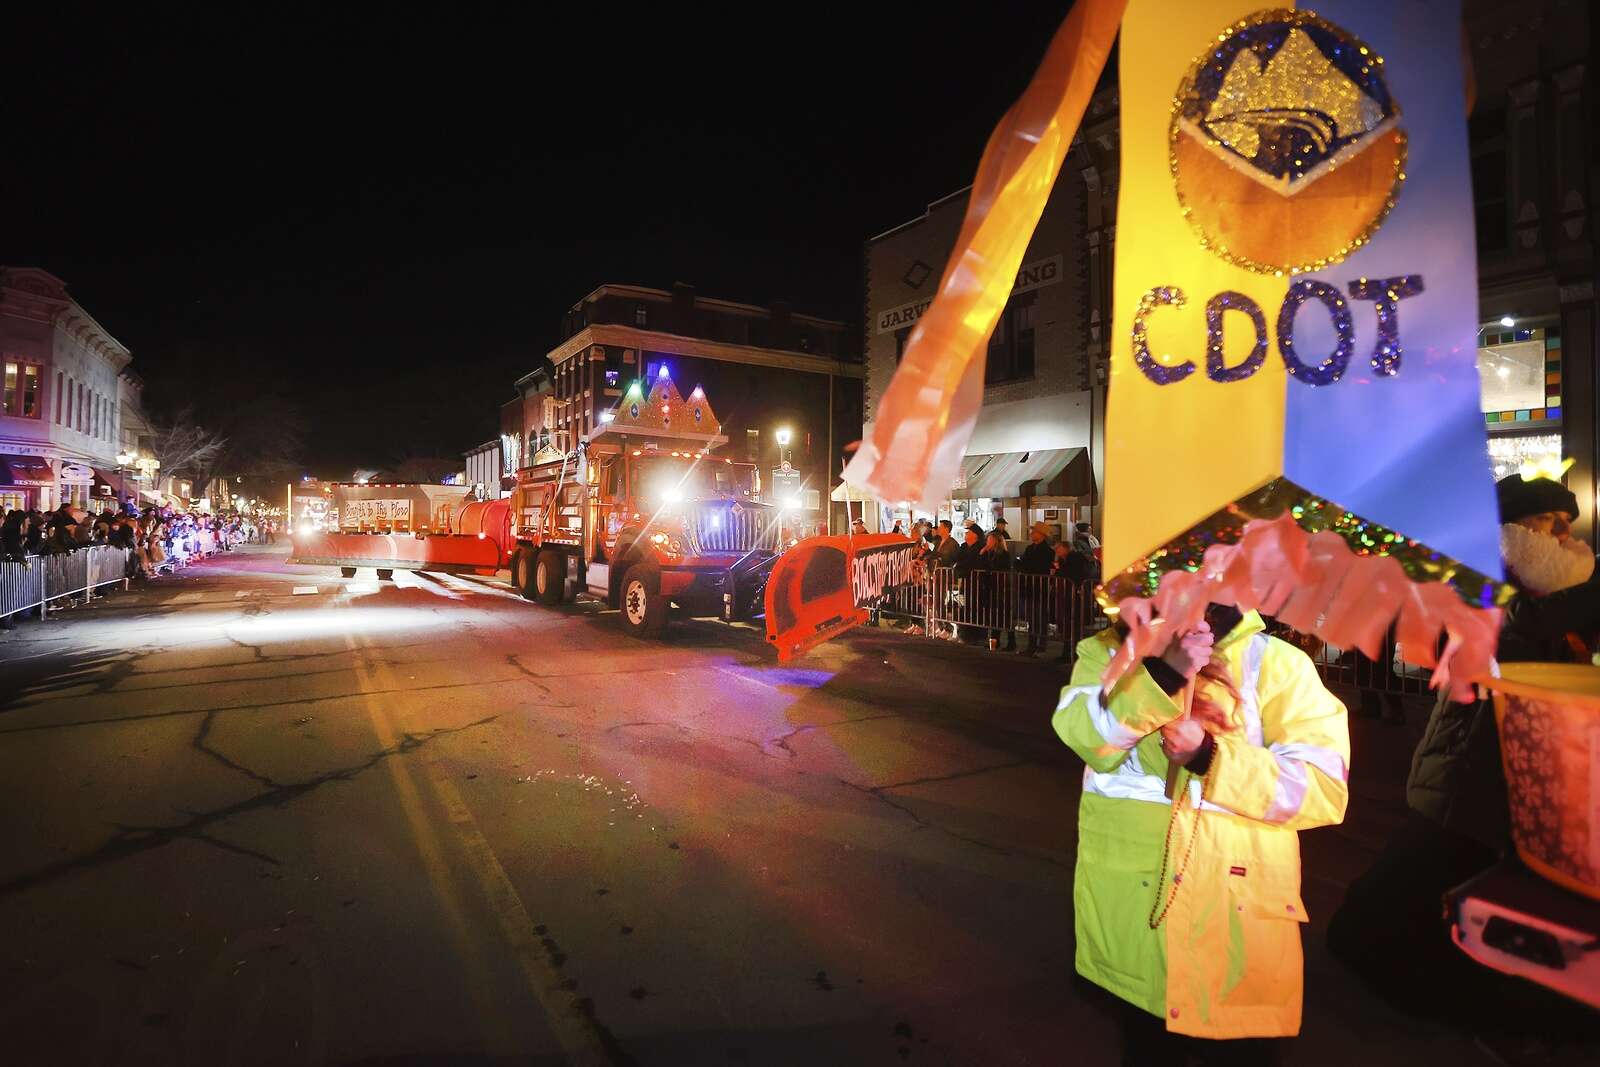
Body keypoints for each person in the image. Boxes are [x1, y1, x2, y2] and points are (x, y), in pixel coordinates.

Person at [1327, 473, 1600, 1025]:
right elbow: (1510, 629)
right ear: (1516, 529)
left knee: (1464, 895)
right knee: (1390, 905)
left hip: (1524, 775)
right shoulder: (1481, 579)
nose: (1564, 536)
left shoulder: (1549, 592)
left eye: (1568, 525)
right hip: (1466, 770)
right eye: (1551, 522)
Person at [1054, 604, 1349, 1064]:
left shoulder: (1280, 665)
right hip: (1135, 925)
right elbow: (1081, 733)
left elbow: (1323, 790)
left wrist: (1213, 758)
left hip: (1237, 930)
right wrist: (1161, 678)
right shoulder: (1107, 652)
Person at [1018, 522, 1055, 655]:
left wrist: (1024, 566)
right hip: (1029, 586)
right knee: (1031, 617)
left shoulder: (1047, 551)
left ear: (1041, 535)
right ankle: (1033, 644)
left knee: (1040, 616)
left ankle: (1039, 644)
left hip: (1039, 587)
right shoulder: (1030, 548)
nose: (1031, 534)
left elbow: (1039, 567)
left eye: (1034, 532)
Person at [977, 530, 1016, 651]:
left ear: (996, 541)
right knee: (993, 616)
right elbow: (982, 566)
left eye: (990, 540)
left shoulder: (1004, 554)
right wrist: (982, 553)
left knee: (1004, 616)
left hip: (1001, 588)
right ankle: (994, 640)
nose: (987, 542)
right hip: (990, 587)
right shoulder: (989, 553)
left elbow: (999, 568)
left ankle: (1011, 642)